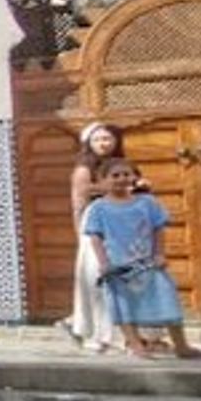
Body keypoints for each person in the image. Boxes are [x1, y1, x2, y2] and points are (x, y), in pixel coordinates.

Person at [82, 157, 201, 361]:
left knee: (167, 300)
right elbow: (95, 237)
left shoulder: (147, 203)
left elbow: (158, 228)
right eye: (115, 175)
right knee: (123, 307)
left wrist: (159, 253)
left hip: (149, 264)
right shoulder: (98, 208)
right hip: (119, 268)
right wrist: (104, 263)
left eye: (126, 174)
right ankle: (135, 344)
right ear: (102, 180)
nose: (122, 179)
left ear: (135, 177)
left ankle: (181, 345)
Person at [62, 123, 125, 352]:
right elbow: (82, 196)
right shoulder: (83, 168)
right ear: (89, 143)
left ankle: (114, 333)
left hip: (119, 227)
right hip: (94, 229)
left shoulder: (120, 165)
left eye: (108, 139)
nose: (104, 144)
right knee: (96, 279)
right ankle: (94, 334)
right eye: (98, 140)